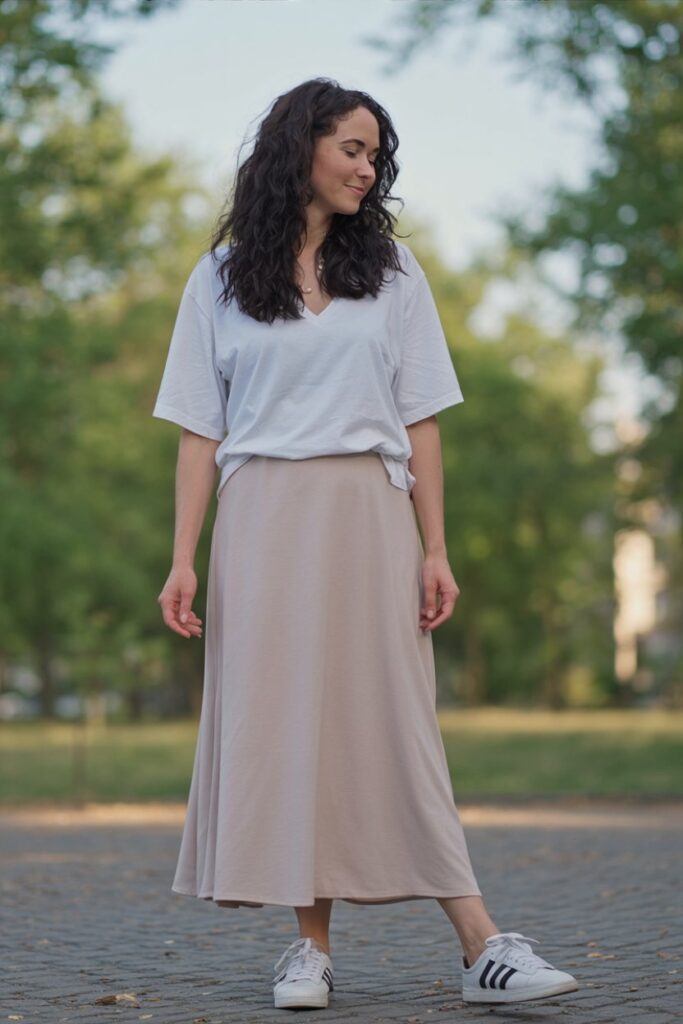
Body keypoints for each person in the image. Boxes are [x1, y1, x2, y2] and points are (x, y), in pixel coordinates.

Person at [152, 77, 579, 1011]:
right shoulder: (219, 279)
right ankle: (308, 950)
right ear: (299, 147)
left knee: (394, 724)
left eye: (376, 152)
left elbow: (421, 418)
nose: (367, 165)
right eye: (351, 146)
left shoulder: (391, 272)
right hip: (260, 518)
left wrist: (435, 546)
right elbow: (198, 431)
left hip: (369, 512)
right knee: (284, 729)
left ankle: (479, 944)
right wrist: (184, 560)